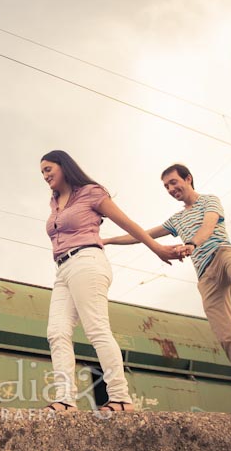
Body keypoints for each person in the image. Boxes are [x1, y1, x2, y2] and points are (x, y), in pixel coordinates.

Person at [102, 163, 231, 414]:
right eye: (166, 187)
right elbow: (143, 235)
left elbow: (208, 226)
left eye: (174, 182)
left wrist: (192, 244)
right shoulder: (177, 219)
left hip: (222, 253)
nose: (171, 189)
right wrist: (107, 240)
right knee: (227, 337)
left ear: (188, 179)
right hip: (206, 278)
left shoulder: (209, 201)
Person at [39, 150, 187, 413]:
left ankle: (121, 398)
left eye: (49, 169)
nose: (45, 175)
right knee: (56, 332)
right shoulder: (54, 201)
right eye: (42, 172)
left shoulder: (90, 192)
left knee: (96, 329)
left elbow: (128, 223)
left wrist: (156, 248)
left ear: (64, 166)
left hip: (87, 261)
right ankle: (65, 400)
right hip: (62, 269)